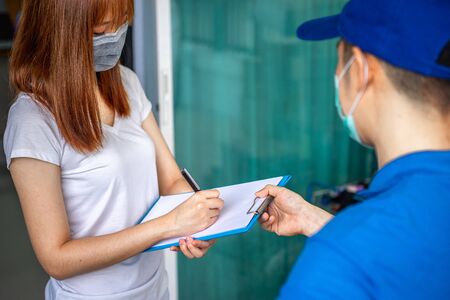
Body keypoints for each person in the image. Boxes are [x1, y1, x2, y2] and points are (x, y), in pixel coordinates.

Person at [4, 0, 223, 299]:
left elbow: (171, 179)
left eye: (121, 23)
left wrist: (198, 222)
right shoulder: (32, 120)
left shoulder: (125, 83)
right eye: (101, 29)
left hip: (154, 287)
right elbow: (56, 258)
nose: (114, 36)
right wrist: (168, 225)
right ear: (62, 32)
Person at [256, 0, 450, 298]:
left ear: (359, 70)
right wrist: (323, 223)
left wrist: (345, 242)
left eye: (339, 59)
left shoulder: (336, 270)